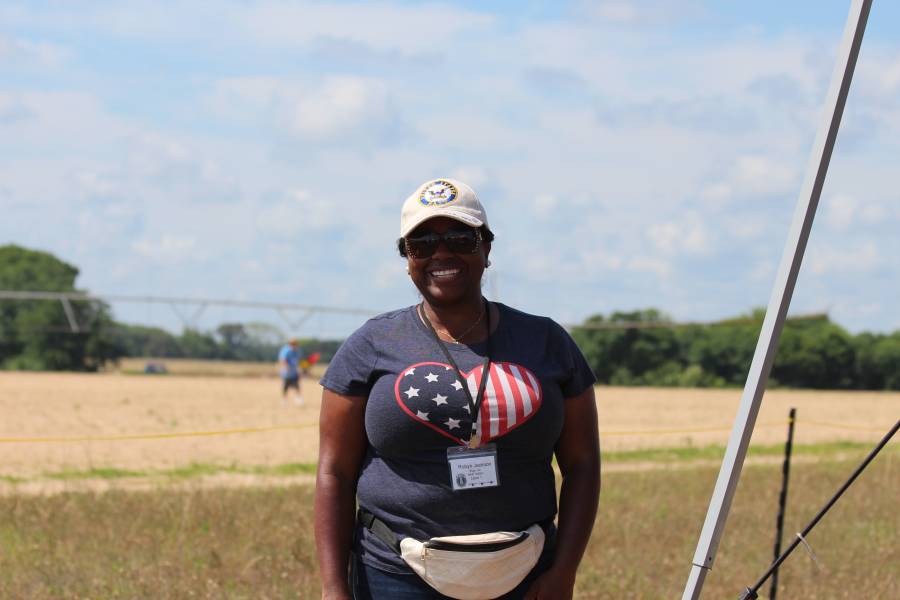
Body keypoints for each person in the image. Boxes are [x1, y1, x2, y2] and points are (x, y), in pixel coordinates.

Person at [315, 178, 601, 600]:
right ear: (406, 258)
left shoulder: (547, 343)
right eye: (421, 243)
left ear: (487, 249)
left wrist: (564, 571)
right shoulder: (370, 345)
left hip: (526, 573)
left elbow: (583, 464)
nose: (441, 253)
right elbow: (334, 472)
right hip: (396, 576)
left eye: (460, 238)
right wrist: (333, 587)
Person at [278, 337, 304, 406]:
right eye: (292, 344)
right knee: (286, 386)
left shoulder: (297, 351)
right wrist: (286, 367)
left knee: (296, 385)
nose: (294, 345)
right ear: (290, 344)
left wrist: (300, 370)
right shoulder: (286, 350)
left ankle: (298, 399)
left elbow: (299, 361)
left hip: (294, 372)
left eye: (295, 344)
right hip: (287, 372)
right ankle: (284, 399)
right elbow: (282, 360)